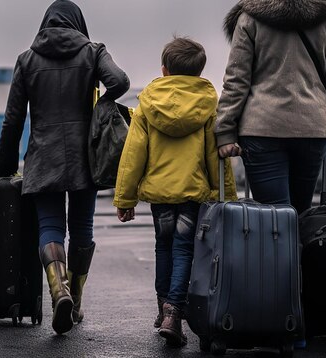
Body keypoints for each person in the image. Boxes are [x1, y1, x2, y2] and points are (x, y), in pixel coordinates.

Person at [0, 0, 129, 335]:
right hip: (85, 156)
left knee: (50, 226)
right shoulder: (92, 52)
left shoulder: (26, 60)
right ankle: (76, 300)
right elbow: (121, 81)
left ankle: (59, 291)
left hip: (44, 156)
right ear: (77, 22)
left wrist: (5, 165)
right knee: (82, 227)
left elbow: (13, 120)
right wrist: (104, 104)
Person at [113, 37, 237, 347]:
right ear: (199, 72)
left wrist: (125, 198)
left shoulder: (148, 104)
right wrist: (226, 198)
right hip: (192, 195)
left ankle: (162, 308)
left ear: (164, 70)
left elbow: (133, 155)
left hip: (159, 196)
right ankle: (173, 312)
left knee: (163, 247)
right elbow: (215, 156)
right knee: (184, 249)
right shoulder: (207, 104)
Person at [215, 0, 326, 215]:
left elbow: (236, 81)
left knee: (274, 220)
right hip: (312, 127)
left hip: (262, 128)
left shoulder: (250, 17)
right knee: (300, 213)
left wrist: (225, 132)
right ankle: (298, 248)